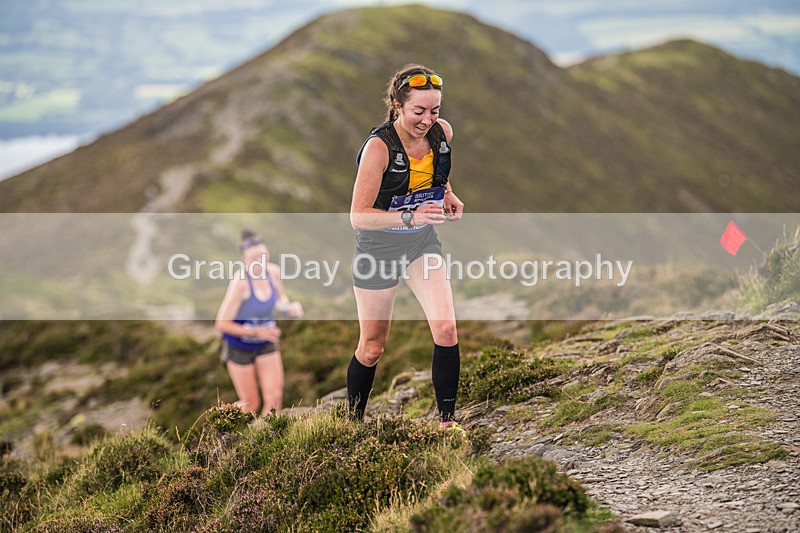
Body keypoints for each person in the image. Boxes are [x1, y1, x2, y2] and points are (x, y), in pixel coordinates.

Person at [347, 64, 465, 428]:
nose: (427, 119)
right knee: (372, 347)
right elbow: (359, 216)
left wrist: (448, 195)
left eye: (435, 110)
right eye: (418, 111)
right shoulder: (379, 148)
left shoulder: (441, 133)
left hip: (420, 244)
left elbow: (434, 174)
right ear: (397, 105)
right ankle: (352, 424)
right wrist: (410, 216)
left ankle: (447, 425)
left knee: (446, 328)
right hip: (378, 250)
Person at [215, 229, 303, 415]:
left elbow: (280, 298)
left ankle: (263, 441)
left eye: (263, 256)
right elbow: (222, 324)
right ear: (244, 261)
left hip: (266, 343)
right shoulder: (240, 284)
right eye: (254, 258)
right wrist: (257, 332)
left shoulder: (273, 273)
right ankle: (217, 419)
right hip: (238, 347)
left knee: (274, 399)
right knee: (250, 405)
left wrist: (289, 307)